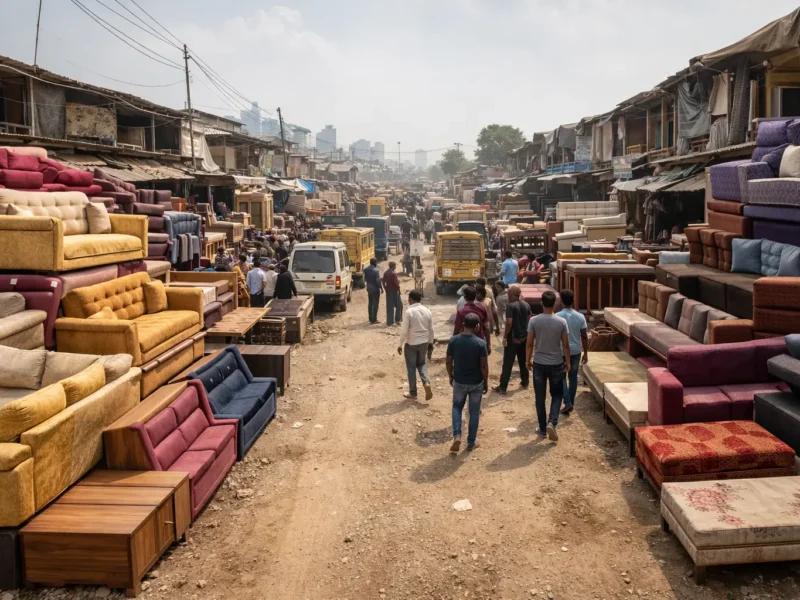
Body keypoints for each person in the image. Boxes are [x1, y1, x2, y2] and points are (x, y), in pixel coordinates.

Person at [526, 291, 570, 442]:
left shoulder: (534, 321)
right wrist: (568, 362)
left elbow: (530, 343)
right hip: (556, 363)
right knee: (557, 395)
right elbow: (565, 345)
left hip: (539, 363)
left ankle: (543, 429)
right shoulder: (561, 322)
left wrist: (527, 360)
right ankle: (552, 422)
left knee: (540, 397)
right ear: (555, 304)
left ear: (541, 303)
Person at [447, 313, 489, 453]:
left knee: (457, 407)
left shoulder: (454, 340)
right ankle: (471, 442)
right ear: (477, 326)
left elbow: (448, 360)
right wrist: (486, 382)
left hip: (459, 380)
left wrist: (450, 376)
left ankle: (457, 435)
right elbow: (483, 366)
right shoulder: (481, 343)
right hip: (476, 382)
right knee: (474, 412)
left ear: (463, 324)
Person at [397, 290, 435, 400]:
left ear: (411, 299)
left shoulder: (409, 312)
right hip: (424, 342)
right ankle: (426, 383)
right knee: (421, 364)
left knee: (411, 368)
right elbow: (431, 329)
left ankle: (413, 392)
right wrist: (431, 343)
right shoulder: (427, 311)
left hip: (411, 343)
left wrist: (400, 344)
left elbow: (404, 330)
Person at [493, 284, 531, 394]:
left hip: (513, 338)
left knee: (508, 362)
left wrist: (505, 336)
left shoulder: (510, 306)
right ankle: (525, 381)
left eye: (509, 293)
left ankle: (503, 387)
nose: (508, 294)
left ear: (513, 294)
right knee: (523, 360)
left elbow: (509, 322)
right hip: (523, 338)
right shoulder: (526, 304)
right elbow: (529, 319)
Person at [557, 289, 589, 415]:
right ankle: (571, 402)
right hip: (576, 351)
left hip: (561, 351)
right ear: (573, 301)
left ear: (561, 301)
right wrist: (585, 353)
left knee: (561, 376)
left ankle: (567, 402)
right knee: (573, 377)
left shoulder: (558, 316)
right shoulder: (580, 316)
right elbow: (584, 336)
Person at [453, 286, 491, 353]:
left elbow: (457, 329)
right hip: (479, 340)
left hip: (464, 342)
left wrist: (453, 342)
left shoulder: (461, 311)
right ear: (475, 296)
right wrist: (488, 344)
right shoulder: (482, 308)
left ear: (464, 298)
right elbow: (486, 327)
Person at [383, 261, 403, 326]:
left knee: (389, 306)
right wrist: (399, 290)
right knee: (398, 305)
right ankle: (398, 319)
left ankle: (389, 321)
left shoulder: (385, 273)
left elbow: (383, 282)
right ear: (393, 266)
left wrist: (385, 288)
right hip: (394, 291)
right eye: (395, 266)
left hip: (388, 291)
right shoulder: (393, 274)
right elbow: (396, 284)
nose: (395, 267)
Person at [364, 258, 383, 324]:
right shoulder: (376, 270)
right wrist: (381, 288)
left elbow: (365, 279)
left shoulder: (366, 270)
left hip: (369, 288)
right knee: (375, 304)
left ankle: (370, 318)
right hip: (375, 288)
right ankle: (374, 319)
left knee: (370, 303)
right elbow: (378, 281)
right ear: (375, 263)